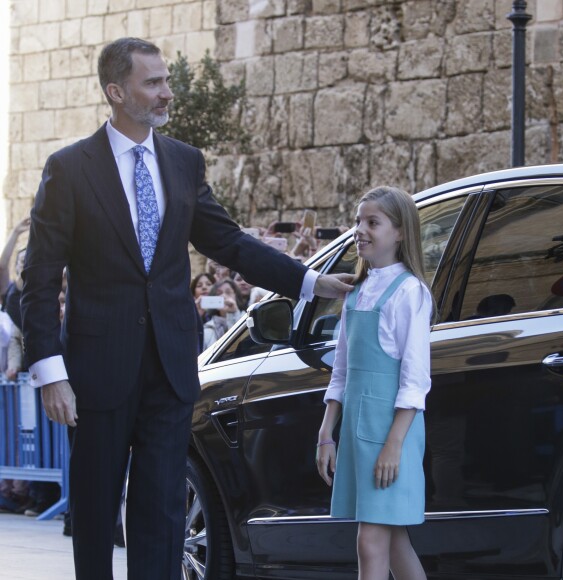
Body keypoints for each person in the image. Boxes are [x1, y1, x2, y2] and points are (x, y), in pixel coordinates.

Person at [20, 37, 352, 580]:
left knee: (163, 512)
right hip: (97, 374)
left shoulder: (182, 162)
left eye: (166, 80)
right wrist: (49, 370)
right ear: (116, 92)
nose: (166, 93)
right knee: (98, 510)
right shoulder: (70, 169)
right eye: (152, 82)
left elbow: (231, 244)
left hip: (172, 369)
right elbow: (38, 276)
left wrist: (311, 281)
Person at [316, 186, 434, 580]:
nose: (360, 230)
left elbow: (415, 380)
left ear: (400, 233)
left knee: (371, 541)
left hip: (391, 432)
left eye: (372, 222)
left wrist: (393, 446)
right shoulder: (357, 292)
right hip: (357, 428)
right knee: (393, 540)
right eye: (357, 221)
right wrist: (326, 432)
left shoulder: (411, 293)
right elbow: (342, 370)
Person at [202, 278, 244, 349]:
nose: (224, 296)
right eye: (219, 293)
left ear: (235, 295)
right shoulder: (207, 328)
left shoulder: (246, 318)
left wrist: (234, 314)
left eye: (228, 292)